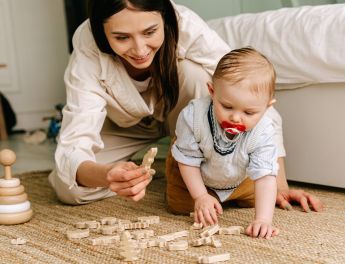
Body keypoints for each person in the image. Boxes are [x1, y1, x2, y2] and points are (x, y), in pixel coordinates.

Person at [48, 0, 323, 214]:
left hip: (187, 114)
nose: (140, 49)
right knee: (71, 190)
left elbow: (250, 97)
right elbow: (74, 147)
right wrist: (107, 175)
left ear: (165, 20)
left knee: (195, 74)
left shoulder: (186, 25)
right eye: (122, 38)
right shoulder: (87, 47)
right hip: (123, 126)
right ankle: (155, 171)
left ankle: (200, 172)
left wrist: (280, 184)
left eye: (150, 32)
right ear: (101, 32)